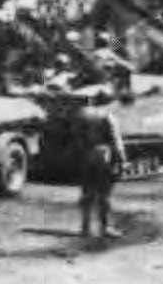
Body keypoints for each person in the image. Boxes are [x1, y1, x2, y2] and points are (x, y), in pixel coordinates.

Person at [69, 89, 128, 239]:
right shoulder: (108, 116)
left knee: (86, 192)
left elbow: (75, 136)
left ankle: (85, 228)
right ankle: (104, 227)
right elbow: (115, 141)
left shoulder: (81, 114)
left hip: (84, 156)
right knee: (104, 193)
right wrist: (122, 160)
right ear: (109, 102)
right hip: (103, 156)